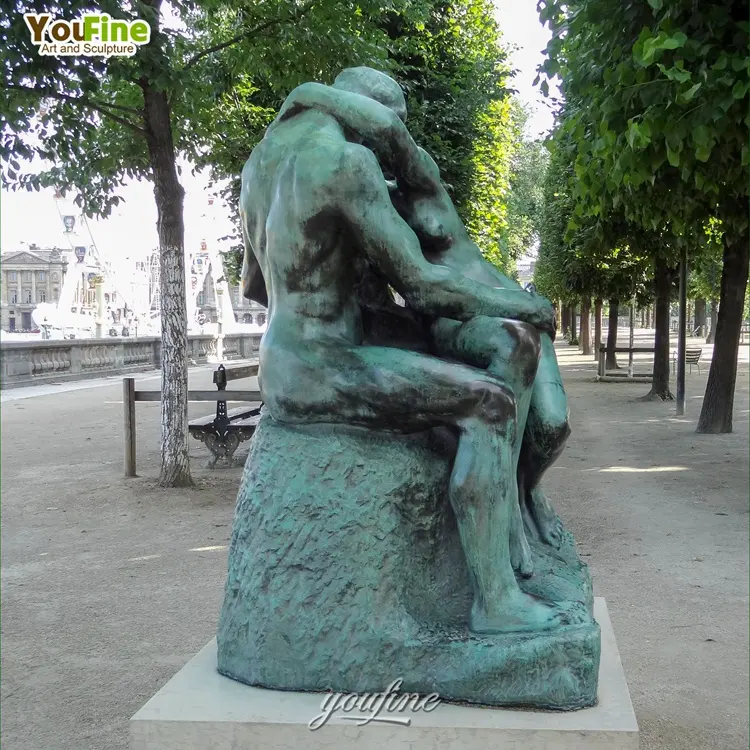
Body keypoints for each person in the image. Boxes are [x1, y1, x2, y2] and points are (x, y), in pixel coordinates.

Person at [239, 67, 573, 634]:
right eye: (397, 129)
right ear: (375, 117)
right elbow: (420, 284)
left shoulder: (258, 166)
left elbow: (254, 285)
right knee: (488, 404)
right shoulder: (348, 163)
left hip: (283, 360)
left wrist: (339, 289)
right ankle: (496, 603)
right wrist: (520, 306)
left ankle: (505, 530)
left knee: (479, 365)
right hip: (325, 366)